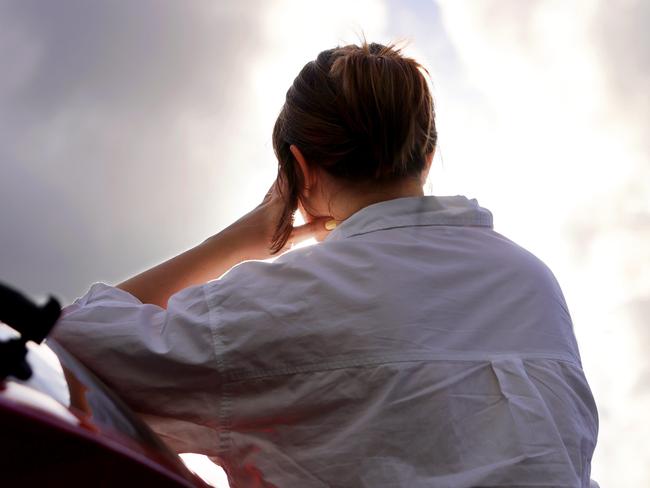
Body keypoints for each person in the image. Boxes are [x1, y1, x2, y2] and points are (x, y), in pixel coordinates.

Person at [50, 39, 599, 487]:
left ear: (298, 169)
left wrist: (234, 242)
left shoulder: (282, 301)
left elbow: (66, 343)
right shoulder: (531, 281)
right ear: (427, 157)